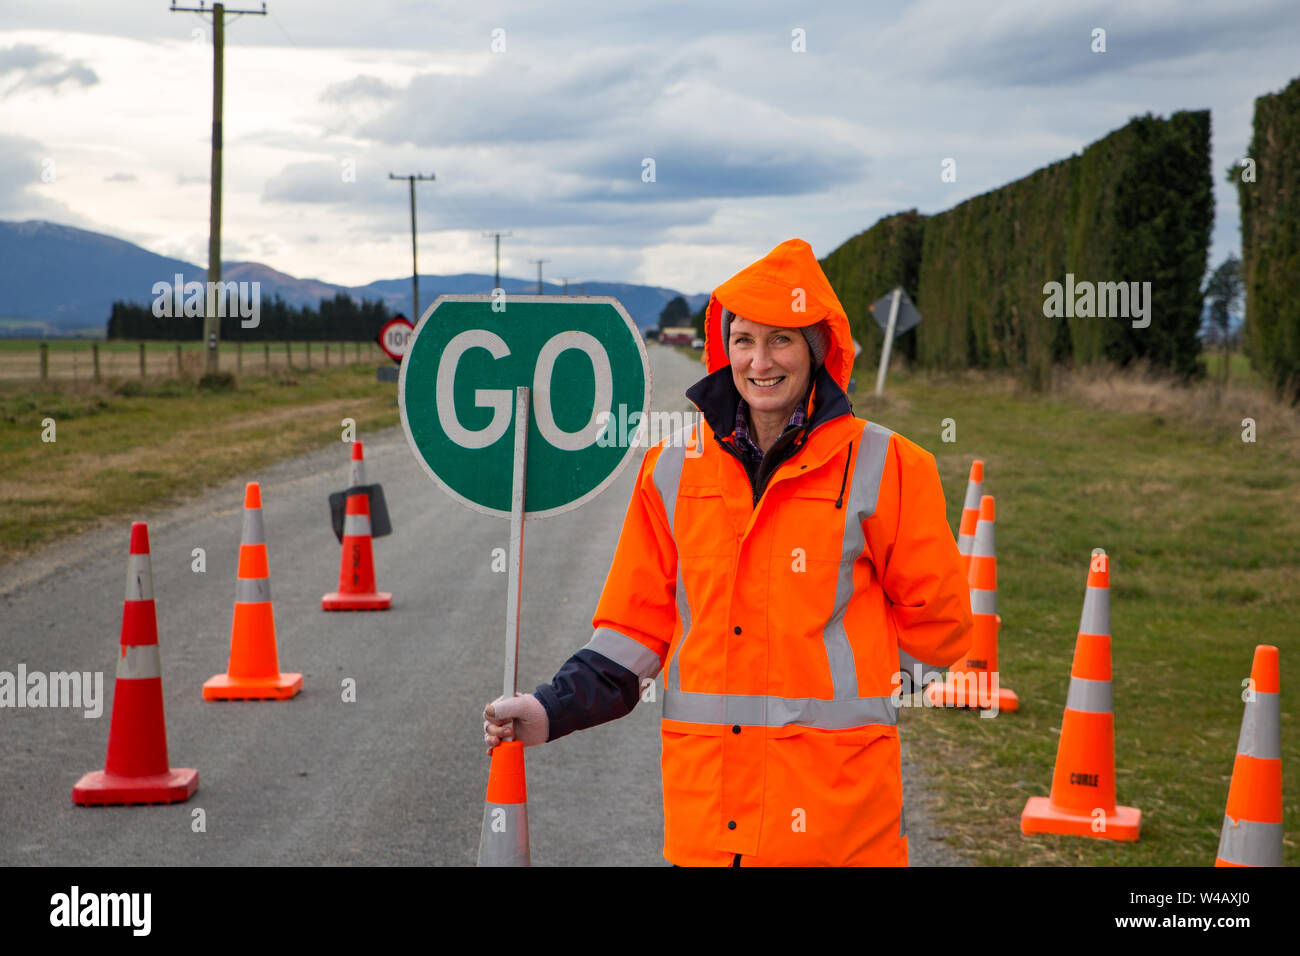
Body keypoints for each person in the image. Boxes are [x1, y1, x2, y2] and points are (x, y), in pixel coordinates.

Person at [483, 238, 972, 866]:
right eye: (744, 340)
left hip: (838, 828)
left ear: (818, 351)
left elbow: (942, 627)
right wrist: (549, 709)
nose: (759, 360)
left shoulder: (888, 466)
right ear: (725, 349)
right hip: (712, 829)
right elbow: (634, 631)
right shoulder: (671, 469)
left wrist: (875, 687)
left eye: (781, 340)